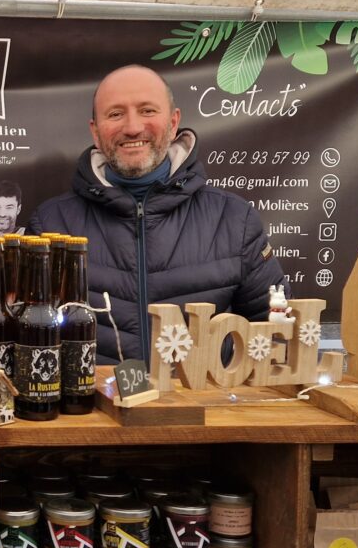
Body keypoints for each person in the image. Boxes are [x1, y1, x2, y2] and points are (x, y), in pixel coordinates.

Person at [30, 63, 285, 363]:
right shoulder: (51, 225)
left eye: (148, 110)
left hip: (205, 408)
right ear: (95, 132)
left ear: (173, 122)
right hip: (91, 408)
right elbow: (30, 339)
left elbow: (275, 337)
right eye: (115, 114)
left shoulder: (234, 220)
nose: (133, 127)